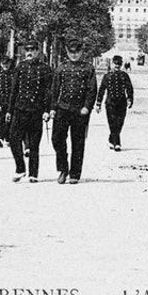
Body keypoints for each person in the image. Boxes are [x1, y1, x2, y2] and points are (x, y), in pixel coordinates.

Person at [50, 37, 98, 184]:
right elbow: (54, 90)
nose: (74, 55)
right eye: (71, 52)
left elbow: (92, 90)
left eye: (77, 52)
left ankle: (75, 174)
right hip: (62, 108)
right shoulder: (61, 68)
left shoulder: (88, 68)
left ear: (81, 52)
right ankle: (63, 169)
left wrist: (87, 107)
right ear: (67, 51)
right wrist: (52, 108)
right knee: (57, 139)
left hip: (79, 110)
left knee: (77, 142)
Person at [7, 39, 52, 182]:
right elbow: (14, 90)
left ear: (38, 52)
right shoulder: (20, 67)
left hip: (36, 110)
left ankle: (33, 173)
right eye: (27, 50)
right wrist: (9, 110)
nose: (29, 52)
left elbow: (48, 92)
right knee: (13, 139)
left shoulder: (45, 69)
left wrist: (47, 110)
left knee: (33, 143)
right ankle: (20, 168)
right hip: (20, 109)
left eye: (32, 50)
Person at [96, 54, 134, 150]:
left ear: (121, 65)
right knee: (112, 123)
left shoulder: (124, 76)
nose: (117, 66)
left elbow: (129, 88)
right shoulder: (107, 76)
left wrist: (130, 99)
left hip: (122, 103)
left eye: (119, 64)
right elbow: (101, 90)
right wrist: (98, 103)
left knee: (120, 123)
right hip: (110, 103)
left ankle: (111, 139)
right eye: (115, 64)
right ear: (112, 64)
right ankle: (117, 143)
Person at [0, 56, 16, 148]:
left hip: (11, 101)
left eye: (7, 63)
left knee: (10, 120)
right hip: (1, 101)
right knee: (0, 120)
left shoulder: (14, 75)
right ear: (0, 64)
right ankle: (0, 138)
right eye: (3, 64)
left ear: (10, 64)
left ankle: (8, 138)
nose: (5, 65)